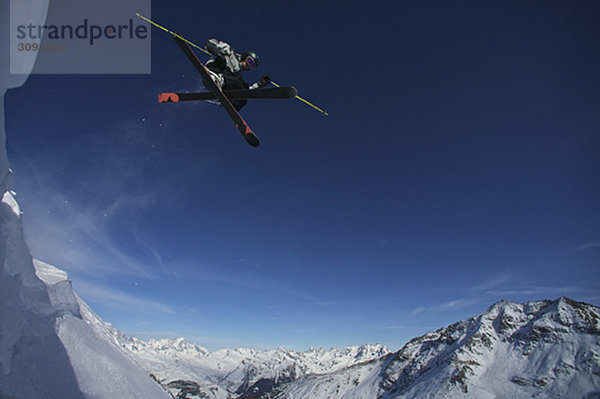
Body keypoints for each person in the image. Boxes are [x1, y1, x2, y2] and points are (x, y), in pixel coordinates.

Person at [203, 38, 270, 111]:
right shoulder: (230, 52)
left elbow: (247, 90)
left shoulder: (238, 75)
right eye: (250, 61)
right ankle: (216, 79)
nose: (249, 65)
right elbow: (210, 43)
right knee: (223, 61)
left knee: (243, 95)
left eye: (252, 66)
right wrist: (216, 52)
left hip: (225, 81)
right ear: (245, 56)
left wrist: (260, 84)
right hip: (216, 68)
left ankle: (220, 99)